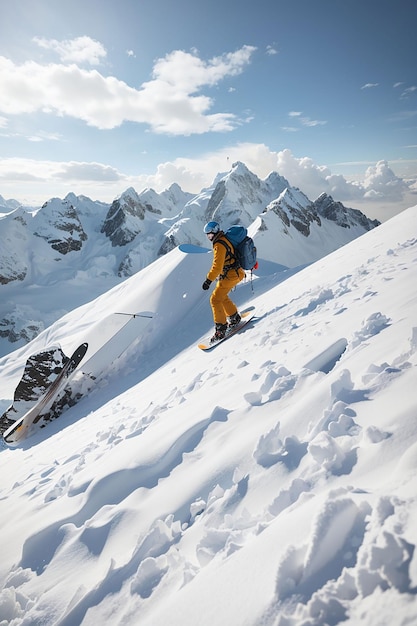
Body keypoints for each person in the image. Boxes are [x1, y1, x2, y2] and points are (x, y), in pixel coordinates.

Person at [202, 221, 245, 342]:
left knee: (215, 299)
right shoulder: (223, 238)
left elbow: (217, 266)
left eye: (210, 235)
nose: (209, 237)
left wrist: (208, 280)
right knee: (221, 296)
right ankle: (234, 317)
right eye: (207, 235)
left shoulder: (219, 245)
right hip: (233, 273)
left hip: (232, 275)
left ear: (215, 232)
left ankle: (221, 329)